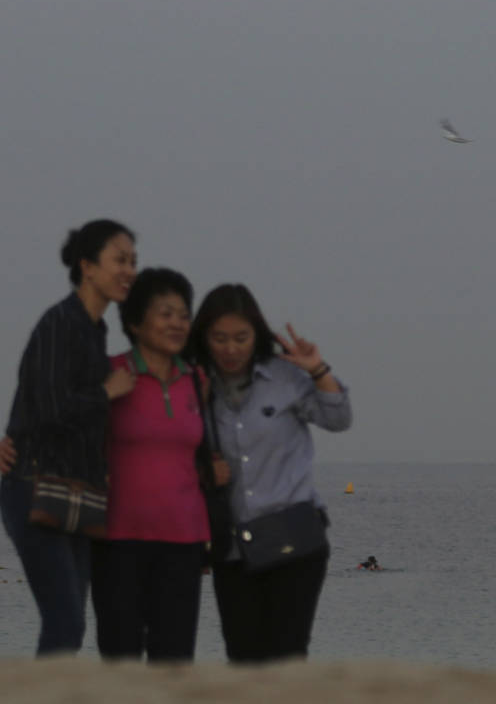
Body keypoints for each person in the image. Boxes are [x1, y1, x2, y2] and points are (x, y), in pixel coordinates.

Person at [191, 283, 352, 663]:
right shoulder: (193, 384)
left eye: (241, 337)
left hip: (293, 540)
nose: (231, 348)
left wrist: (318, 370)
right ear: (205, 338)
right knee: (242, 658)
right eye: (220, 338)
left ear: (257, 335)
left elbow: (338, 418)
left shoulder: (284, 376)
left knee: (288, 656)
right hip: (232, 547)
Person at [0, 220, 138, 655]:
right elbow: (48, 410)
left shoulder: (93, 331)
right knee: (65, 619)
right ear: (88, 267)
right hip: (35, 488)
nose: (129, 270)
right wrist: (106, 392)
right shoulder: (61, 322)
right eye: (119, 260)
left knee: (71, 623)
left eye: (133, 261)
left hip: (75, 493)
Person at [89, 267, 216, 661]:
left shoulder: (197, 379)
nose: (178, 323)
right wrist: (13, 441)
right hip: (116, 540)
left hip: (184, 541)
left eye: (183, 314)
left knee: (175, 662)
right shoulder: (109, 372)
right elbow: (66, 422)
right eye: (165, 313)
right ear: (134, 321)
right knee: (119, 657)